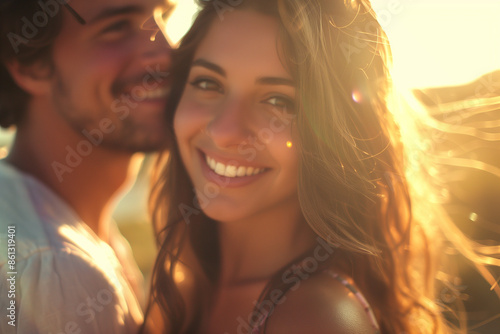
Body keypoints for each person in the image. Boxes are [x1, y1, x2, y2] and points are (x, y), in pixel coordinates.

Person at [143, 0, 499, 333]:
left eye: (279, 100)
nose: (224, 131)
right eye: (208, 83)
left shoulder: (317, 318)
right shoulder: (183, 286)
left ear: (335, 134)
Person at [0, 0, 172, 333]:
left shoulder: (73, 230)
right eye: (117, 26)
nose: (167, 51)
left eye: (162, 16)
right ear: (30, 64)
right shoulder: (57, 268)